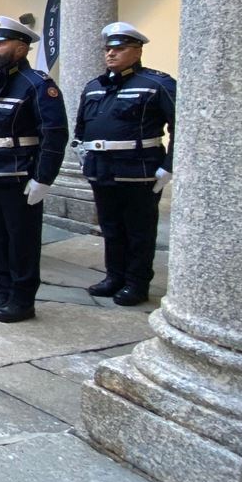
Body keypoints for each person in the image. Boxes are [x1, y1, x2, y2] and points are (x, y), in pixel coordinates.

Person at [0, 15, 69, 322]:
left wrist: (44, 178)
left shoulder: (36, 85)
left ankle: (23, 299)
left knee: (21, 238)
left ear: (21, 49)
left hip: (19, 176)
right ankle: (3, 291)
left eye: (0, 43)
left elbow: (54, 133)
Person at [73, 22, 176, 306]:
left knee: (139, 230)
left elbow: (182, 127)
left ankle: (136, 282)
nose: (111, 54)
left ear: (138, 50)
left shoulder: (157, 84)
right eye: (108, 49)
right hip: (102, 168)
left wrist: (169, 166)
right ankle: (114, 276)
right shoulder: (94, 86)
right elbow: (82, 126)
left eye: (119, 49)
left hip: (138, 169)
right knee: (111, 226)